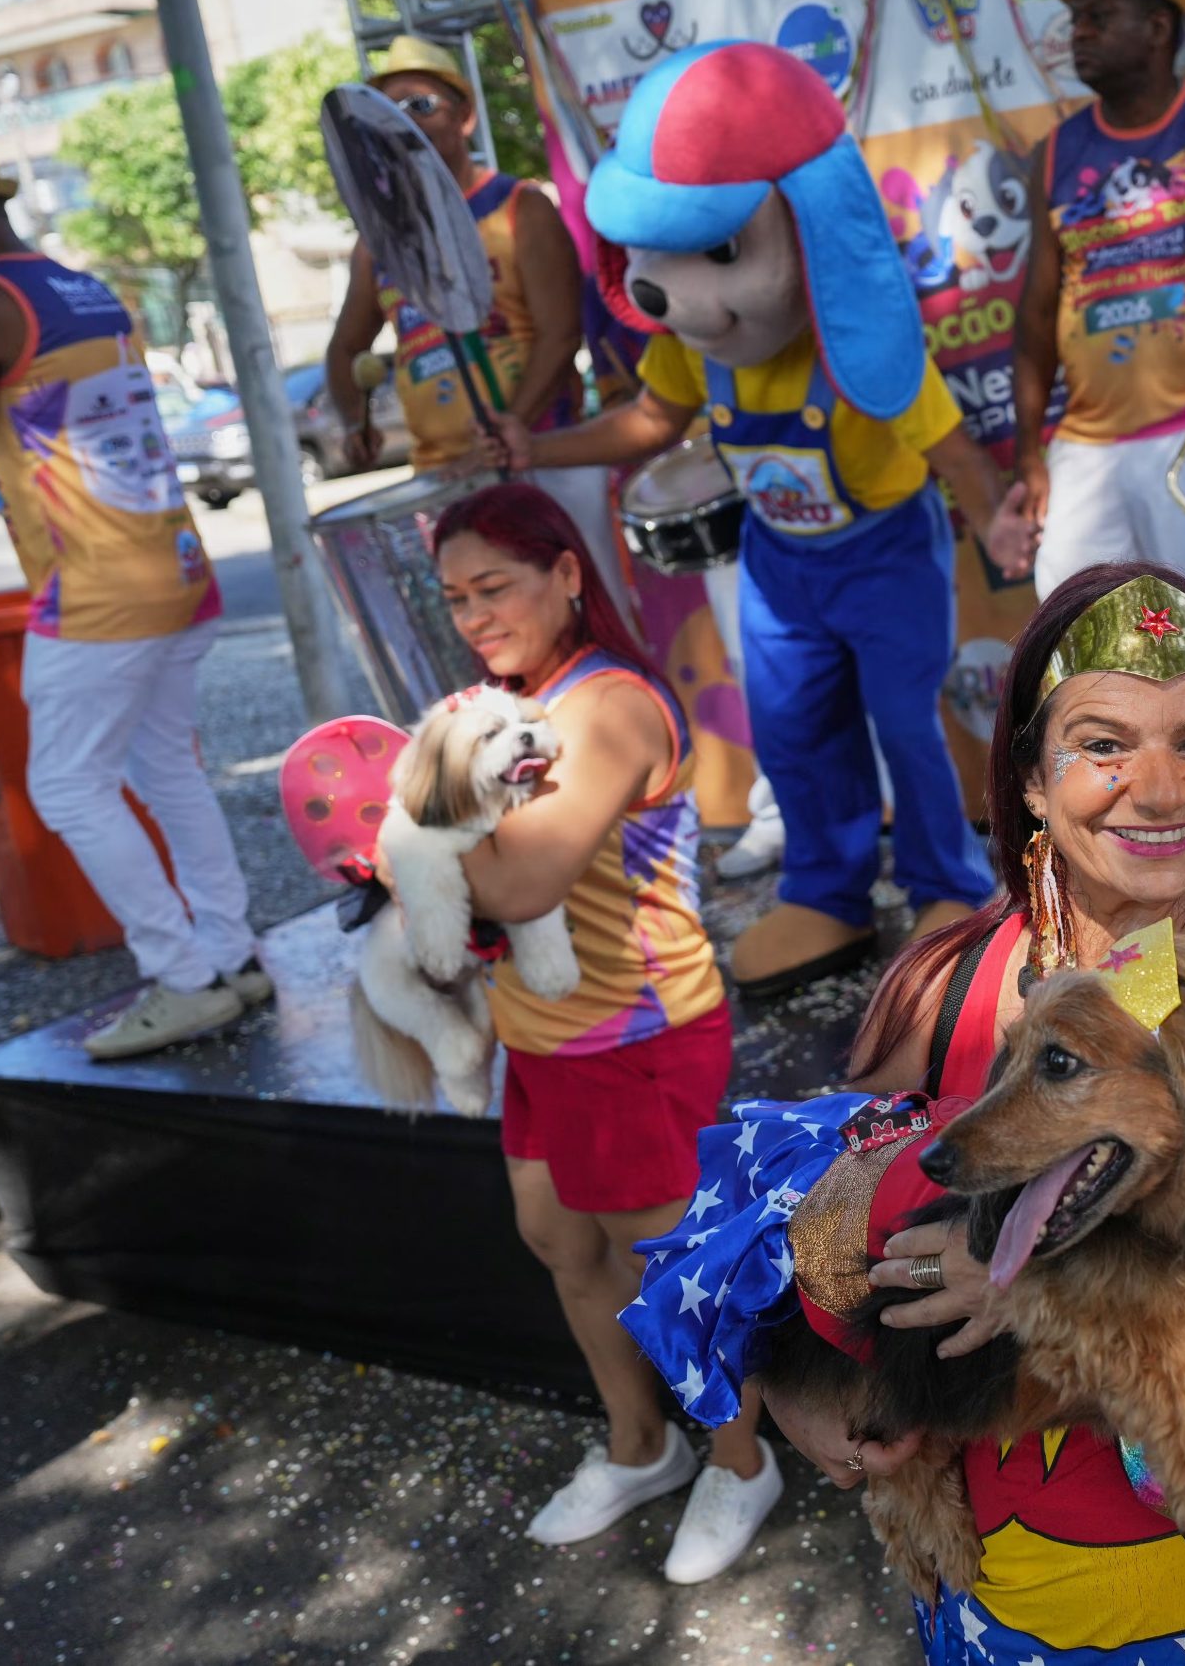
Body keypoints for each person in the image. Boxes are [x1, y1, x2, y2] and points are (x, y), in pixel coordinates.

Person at [621, 563, 1185, 1663]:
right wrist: (799, 1397)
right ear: (1032, 780)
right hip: (1000, 1616)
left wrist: (1047, 1293)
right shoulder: (943, 979)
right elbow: (811, 1211)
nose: (1159, 788)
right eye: (1103, 744)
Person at [503, 41, 1027, 997]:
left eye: (718, 252)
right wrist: (539, 448)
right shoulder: (698, 349)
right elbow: (651, 421)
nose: (677, 295)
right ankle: (827, 893)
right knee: (793, 728)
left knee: (908, 724)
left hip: (883, 554)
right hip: (781, 561)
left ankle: (947, 889)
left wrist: (993, 522)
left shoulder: (854, 343)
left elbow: (948, 444)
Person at [414, 482, 782, 1583]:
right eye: (454, 598)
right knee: (561, 1246)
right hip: (540, 1038)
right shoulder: (495, 701)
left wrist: (404, 833)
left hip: (637, 1035)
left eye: (497, 587)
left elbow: (519, 881)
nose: (476, 615)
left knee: (669, 1268)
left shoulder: (605, 704)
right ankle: (640, 1447)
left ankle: (741, 1460)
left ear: (568, 574)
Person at [0, 142, 264, 1058]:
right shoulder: (82, 288)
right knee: (165, 768)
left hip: (95, 587)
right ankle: (232, 953)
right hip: (173, 562)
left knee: (66, 781)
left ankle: (183, 976)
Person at [1011, 0, 1185, 620]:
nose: (1078, 33)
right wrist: (1030, 454)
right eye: (1075, 19)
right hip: (1085, 449)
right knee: (1078, 644)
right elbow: (1037, 314)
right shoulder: (1053, 153)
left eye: (1099, 18)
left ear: (1158, 26)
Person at [321, 37, 610, 590]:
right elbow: (345, 347)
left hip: (544, 459)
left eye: (421, 106)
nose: (404, 125)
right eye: (387, 114)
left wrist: (510, 431)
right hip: (444, 479)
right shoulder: (378, 244)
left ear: (467, 117)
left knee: (582, 611)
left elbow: (559, 334)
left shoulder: (520, 207)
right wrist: (352, 421)